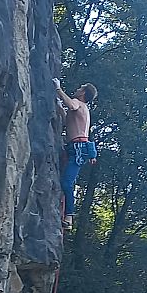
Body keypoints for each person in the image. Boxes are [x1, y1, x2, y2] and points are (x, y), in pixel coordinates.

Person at [52, 77, 97, 230]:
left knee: (67, 182)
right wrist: (59, 106)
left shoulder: (79, 103)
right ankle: (67, 214)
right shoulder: (82, 109)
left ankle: (69, 216)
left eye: (81, 87)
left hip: (78, 147)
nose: (78, 88)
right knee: (66, 180)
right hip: (76, 146)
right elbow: (68, 121)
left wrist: (58, 89)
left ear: (83, 93)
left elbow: (71, 105)